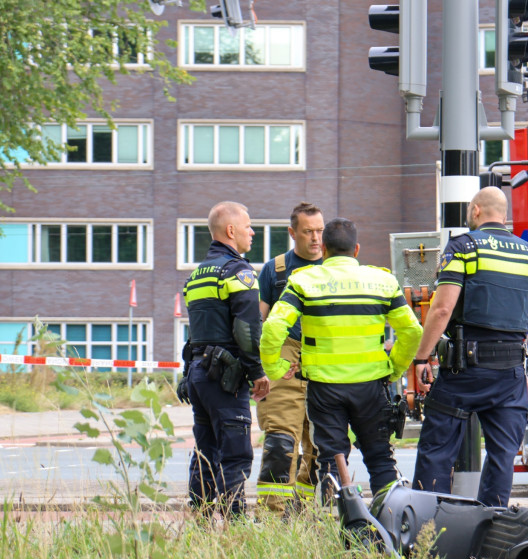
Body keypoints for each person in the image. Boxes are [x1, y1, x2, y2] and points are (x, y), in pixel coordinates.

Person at [259, 218, 422, 502]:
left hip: (325, 389)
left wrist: (276, 367)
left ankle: (343, 525)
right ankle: (392, 524)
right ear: (356, 249)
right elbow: (412, 330)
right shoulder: (382, 281)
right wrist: (394, 368)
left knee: (332, 461)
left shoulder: (303, 282)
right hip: (371, 387)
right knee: (380, 458)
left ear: (324, 249)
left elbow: (273, 327)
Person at [412, 187, 528, 506]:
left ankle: (425, 533)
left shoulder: (463, 248)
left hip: (464, 370)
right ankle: (490, 534)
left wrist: (422, 358)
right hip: (511, 372)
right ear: (504, 216)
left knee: (437, 451)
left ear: (475, 211)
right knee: (501, 457)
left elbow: (443, 309)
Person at [181, 201, 270, 522]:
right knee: (235, 456)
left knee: (205, 453)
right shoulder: (239, 271)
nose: (252, 231)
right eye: (248, 226)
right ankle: (236, 528)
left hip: (198, 374)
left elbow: (197, 333)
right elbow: (247, 329)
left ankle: (200, 524)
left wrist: (186, 374)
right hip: (225, 379)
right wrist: (257, 372)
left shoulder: (197, 276)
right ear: (230, 231)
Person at [255, 201, 325, 516]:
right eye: (308, 231)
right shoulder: (276, 270)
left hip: (326, 358)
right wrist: (261, 369)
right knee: (281, 441)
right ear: (292, 232)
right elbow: (261, 322)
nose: (316, 238)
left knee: (322, 445)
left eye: (320, 231)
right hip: (286, 357)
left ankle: (302, 510)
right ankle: (273, 519)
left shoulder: (337, 267)